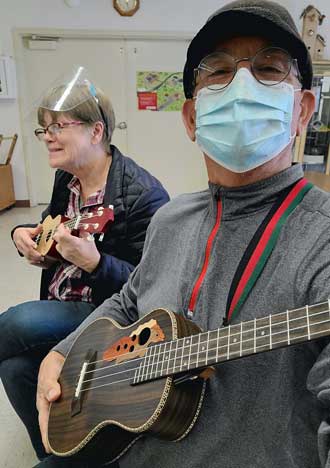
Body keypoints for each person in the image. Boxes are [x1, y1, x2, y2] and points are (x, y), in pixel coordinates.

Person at [34, 1, 330, 467]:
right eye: (218, 72)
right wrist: (65, 351)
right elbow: (128, 300)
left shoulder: (323, 240)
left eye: (269, 69)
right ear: (191, 118)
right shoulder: (171, 217)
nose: (243, 86)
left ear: (302, 110)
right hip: (120, 436)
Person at [0, 70, 169, 464]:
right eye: (44, 129)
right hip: (60, 303)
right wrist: (25, 236)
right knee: (15, 367)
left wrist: (95, 262)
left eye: (58, 126)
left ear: (96, 132)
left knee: (15, 324)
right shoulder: (68, 180)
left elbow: (154, 289)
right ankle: (56, 449)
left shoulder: (143, 195)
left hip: (106, 314)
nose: (48, 137)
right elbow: (48, 224)